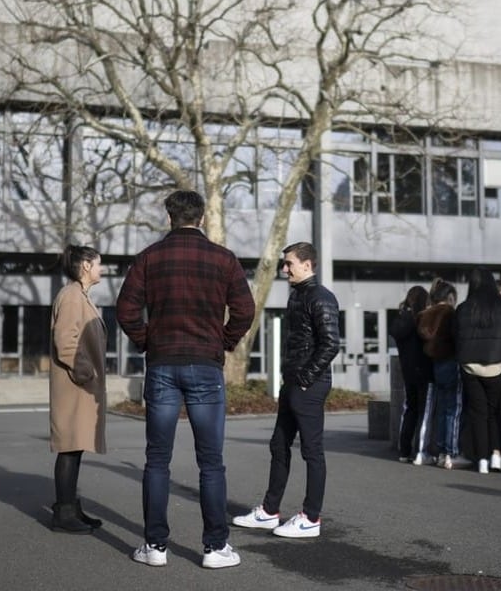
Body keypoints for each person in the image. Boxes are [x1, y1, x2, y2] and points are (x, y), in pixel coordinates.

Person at [117, 190, 255, 570]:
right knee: (211, 462)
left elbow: (126, 310)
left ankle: (155, 547)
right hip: (205, 365)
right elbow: (245, 309)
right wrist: (222, 342)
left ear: (170, 217)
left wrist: (150, 341)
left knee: (157, 460)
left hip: (163, 365)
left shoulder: (149, 257)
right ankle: (215, 548)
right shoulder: (223, 258)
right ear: (202, 217)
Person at [233, 241, 340, 539]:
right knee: (279, 445)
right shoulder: (299, 296)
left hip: (309, 384)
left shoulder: (321, 297)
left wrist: (305, 377)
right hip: (294, 382)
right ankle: (269, 512)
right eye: (284, 263)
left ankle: (311, 518)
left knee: (312, 451)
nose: (284, 269)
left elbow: (331, 343)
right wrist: (290, 377)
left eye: (289, 263)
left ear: (307, 265)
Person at [49, 244, 107, 533]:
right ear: (85, 265)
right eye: (98, 263)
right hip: (75, 385)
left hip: (78, 385)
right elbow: (66, 341)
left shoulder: (78, 295)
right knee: (70, 448)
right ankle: (64, 513)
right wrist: (85, 372)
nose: (102, 268)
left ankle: (70, 505)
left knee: (76, 447)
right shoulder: (72, 297)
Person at [453, 268, 501, 474]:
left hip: (470, 366)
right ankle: (496, 456)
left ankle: (481, 459)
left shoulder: (463, 308)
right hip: (497, 364)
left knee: (478, 413)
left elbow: (455, 338)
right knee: (494, 412)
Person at [417, 278, 469, 469]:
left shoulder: (424, 316)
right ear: (450, 297)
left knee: (441, 410)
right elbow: (457, 338)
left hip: (436, 365)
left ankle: (439, 452)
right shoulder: (450, 314)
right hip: (452, 361)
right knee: (454, 410)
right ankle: (451, 452)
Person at [390, 285, 434, 465]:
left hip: (407, 370)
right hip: (423, 369)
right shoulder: (421, 319)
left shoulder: (401, 319)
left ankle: (404, 450)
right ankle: (420, 451)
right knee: (424, 411)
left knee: (410, 409)